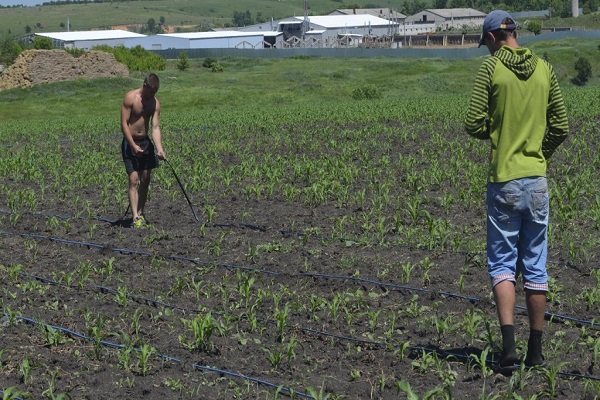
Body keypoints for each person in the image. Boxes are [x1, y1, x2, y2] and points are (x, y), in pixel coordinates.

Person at [465, 10, 569, 369]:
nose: (487, 51)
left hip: (504, 180)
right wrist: (540, 154)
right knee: (536, 267)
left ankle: (508, 352)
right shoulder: (544, 68)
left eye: (486, 45)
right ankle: (536, 352)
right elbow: (561, 125)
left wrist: (499, 134)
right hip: (537, 180)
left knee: (502, 264)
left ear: (493, 38)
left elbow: (473, 121)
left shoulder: (491, 69)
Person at [121, 73, 166, 228]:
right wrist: (133, 145)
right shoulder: (130, 98)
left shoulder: (154, 103)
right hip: (130, 142)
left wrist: (160, 149)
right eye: (151, 92)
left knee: (145, 179)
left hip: (146, 143)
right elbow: (124, 124)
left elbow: (155, 127)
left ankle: (140, 213)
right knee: (134, 179)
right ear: (145, 86)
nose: (152, 95)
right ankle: (134, 217)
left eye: (155, 93)